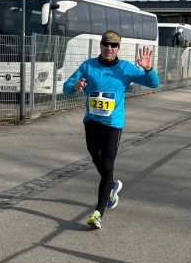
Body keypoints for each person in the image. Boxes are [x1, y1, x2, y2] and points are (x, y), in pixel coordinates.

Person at [63, 30, 160, 229]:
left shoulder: (126, 68)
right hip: (92, 122)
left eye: (113, 45)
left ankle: (98, 213)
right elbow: (66, 87)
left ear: (118, 48)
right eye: (106, 44)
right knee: (96, 158)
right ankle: (113, 185)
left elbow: (153, 83)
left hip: (113, 125)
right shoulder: (88, 66)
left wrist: (148, 69)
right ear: (100, 46)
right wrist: (75, 86)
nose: (109, 48)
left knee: (107, 166)